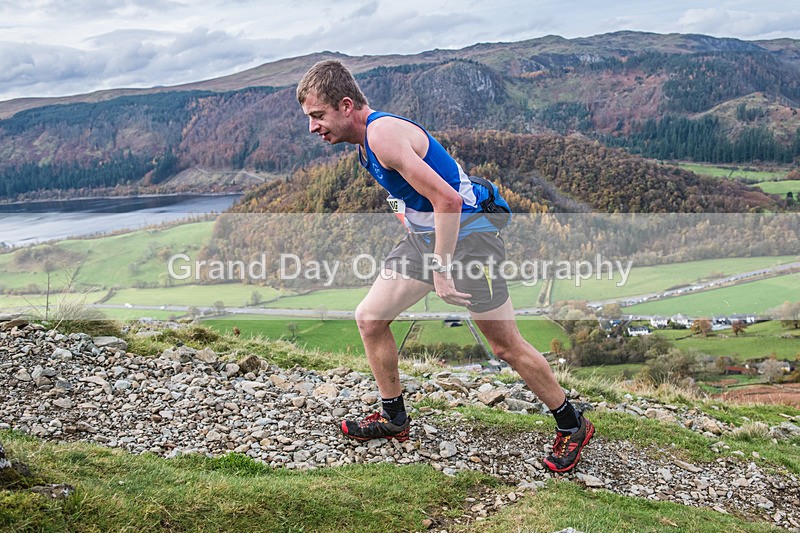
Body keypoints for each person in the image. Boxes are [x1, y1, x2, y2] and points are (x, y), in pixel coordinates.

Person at [296, 60, 593, 473]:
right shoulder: (365, 144)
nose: (313, 127)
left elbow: (449, 200)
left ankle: (572, 424)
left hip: (470, 241)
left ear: (346, 105)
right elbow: (414, 194)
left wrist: (441, 268)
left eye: (317, 116)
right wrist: (409, 222)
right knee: (370, 317)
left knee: (505, 346)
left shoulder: (382, 134)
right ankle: (394, 417)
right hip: (429, 238)